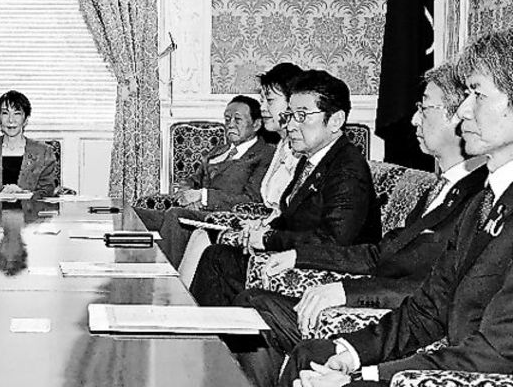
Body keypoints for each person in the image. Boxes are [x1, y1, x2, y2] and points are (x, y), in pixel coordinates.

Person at [281, 29, 513, 387]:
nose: (464, 111)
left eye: (478, 94)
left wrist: (365, 378)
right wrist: (350, 354)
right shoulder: (483, 201)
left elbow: (494, 355)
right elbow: (428, 309)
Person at [233, 62, 488, 387]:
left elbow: (434, 292)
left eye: (424, 108)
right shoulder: (441, 189)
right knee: (253, 305)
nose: (413, 119)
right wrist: (301, 258)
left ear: (458, 117)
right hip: (382, 309)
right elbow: (381, 253)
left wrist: (347, 292)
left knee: (282, 332)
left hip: (397, 324)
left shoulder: (477, 198)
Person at [190, 70, 381, 307]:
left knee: (218, 262)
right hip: (297, 257)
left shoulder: (347, 169)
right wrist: (264, 228)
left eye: (302, 116)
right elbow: (292, 218)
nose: (290, 125)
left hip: (329, 273)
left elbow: (334, 241)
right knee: (217, 256)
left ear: (335, 120)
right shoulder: (311, 159)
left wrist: (269, 239)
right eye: (290, 115)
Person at [178, 62, 303, 285]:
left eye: (269, 100)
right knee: (200, 238)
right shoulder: (283, 147)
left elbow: (281, 208)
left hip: (274, 238)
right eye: (262, 100)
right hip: (259, 226)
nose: (262, 108)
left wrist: (264, 229)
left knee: (208, 247)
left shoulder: (289, 152)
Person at [135, 95, 276, 268]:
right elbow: (191, 181)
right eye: (227, 119)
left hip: (225, 218)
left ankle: (165, 275)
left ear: (256, 124)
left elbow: (252, 200)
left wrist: (203, 197)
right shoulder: (218, 151)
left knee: (176, 215)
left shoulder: (266, 155)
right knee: (134, 215)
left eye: (237, 119)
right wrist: (186, 194)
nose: (230, 124)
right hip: (192, 213)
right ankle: (131, 271)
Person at [0, 90, 57, 198]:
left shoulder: (44, 152)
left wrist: (23, 194)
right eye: (5, 113)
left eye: (17, 113)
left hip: (31, 208)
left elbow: (47, 189)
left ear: (26, 120)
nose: (11, 120)